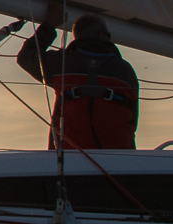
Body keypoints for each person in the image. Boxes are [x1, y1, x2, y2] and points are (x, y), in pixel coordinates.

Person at [17, 14, 140, 150]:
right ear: (101, 34)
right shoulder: (125, 71)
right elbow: (133, 120)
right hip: (119, 159)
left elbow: (25, 56)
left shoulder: (61, 63)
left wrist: (50, 26)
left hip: (70, 159)